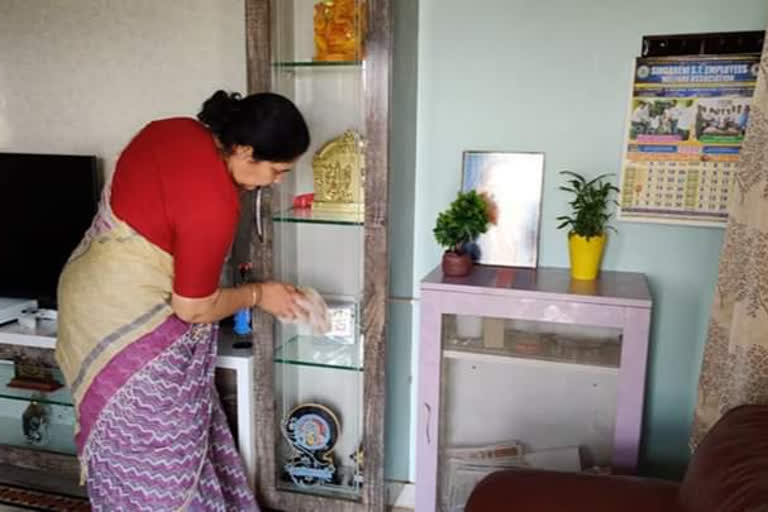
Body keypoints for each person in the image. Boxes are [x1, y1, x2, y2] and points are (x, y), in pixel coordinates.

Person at [55, 90, 311, 511]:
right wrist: (260, 294)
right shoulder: (214, 201)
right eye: (278, 170)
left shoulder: (172, 129)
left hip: (86, 299)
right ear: (245, 151)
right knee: (159, 463)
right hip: (129, 330)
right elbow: (192, 308)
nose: (279, 181)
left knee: (130, 453)